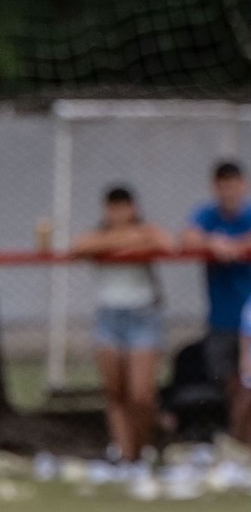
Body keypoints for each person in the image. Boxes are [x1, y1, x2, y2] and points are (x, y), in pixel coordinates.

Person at [71, 184, 171, 464]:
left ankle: (142, 447)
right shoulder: (98, 234)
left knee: (141, 394)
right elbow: (80, 246)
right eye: (112, 209)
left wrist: (122, 242)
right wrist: (123, 242)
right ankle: (125, 455)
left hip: (142, 316)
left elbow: (164, 242)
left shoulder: (147, 229)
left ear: (133, 209)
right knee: (115, 392)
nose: (118, 214)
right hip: (109, 317)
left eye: (123, 208)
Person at [182, 160, 251, 444]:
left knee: (247, 387)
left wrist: (237, 247)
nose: (228, 191)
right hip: (222, 319)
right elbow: (187, 238)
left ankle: (239, 442)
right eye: (222, 185)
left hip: (249, 321)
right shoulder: (206, 215)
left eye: (233, 185)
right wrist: (213, 244)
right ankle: (240, 443)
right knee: (233, 386)